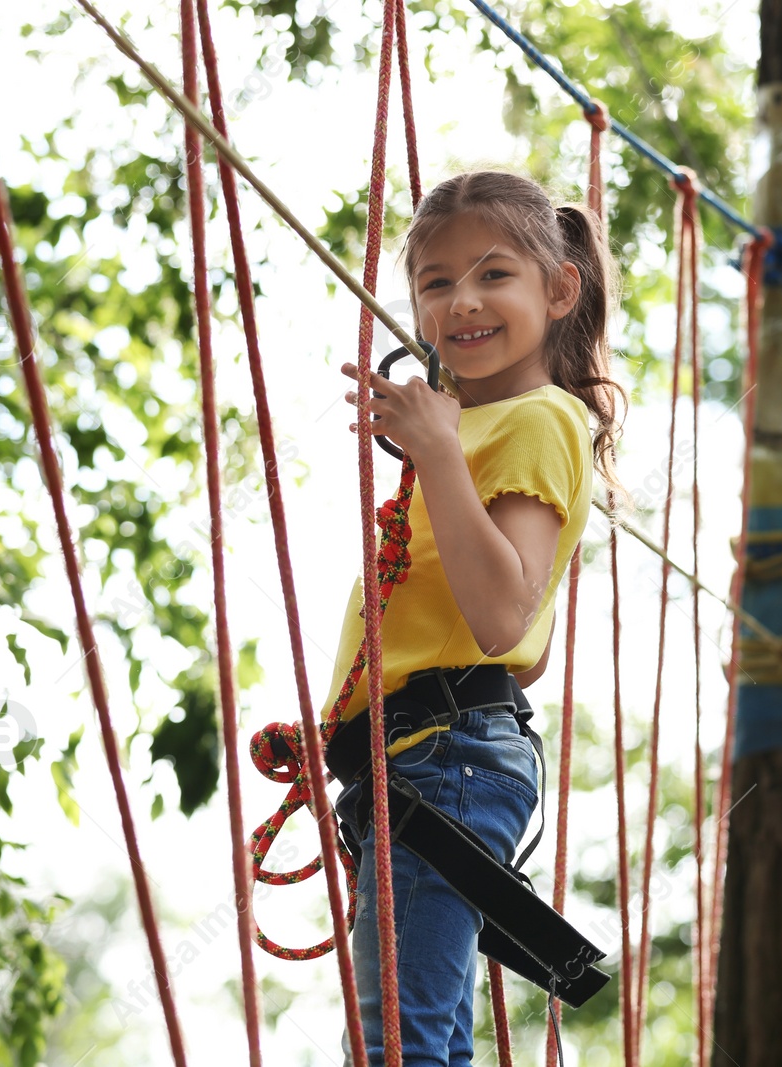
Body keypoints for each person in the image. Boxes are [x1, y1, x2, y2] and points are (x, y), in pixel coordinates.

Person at [327, 170, 626, 1067]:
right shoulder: (481, 428)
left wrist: (438, 449)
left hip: (446, 756)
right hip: (417, 756)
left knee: (397, 1046)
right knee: (425, 1042)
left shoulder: (539, 420)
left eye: (495, 274)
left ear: (559, 288)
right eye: (435, 282)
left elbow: (501, 613)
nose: (463, 301)